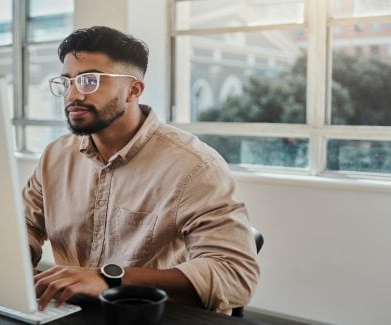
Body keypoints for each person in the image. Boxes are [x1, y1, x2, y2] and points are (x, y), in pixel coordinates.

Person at [23, 26, 259, 315]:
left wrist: (109, 279)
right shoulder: (55, 156)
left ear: (133, 90)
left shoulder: (195, 166)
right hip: (69, 312)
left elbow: (235, 275)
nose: (73, 95)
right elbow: (26, 225)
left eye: (89, 81)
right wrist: (12, 262)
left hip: (157, 317)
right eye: (67, 82)